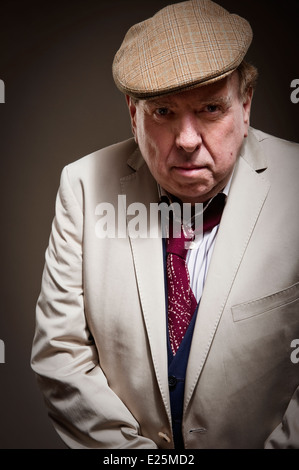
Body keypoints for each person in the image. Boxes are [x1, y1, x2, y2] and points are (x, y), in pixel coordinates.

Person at [31, 0, 299, 449]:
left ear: (246, 103)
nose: (188, 140)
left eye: (212, 108)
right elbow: (60, 356)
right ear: (132, 113)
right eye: (163, 112)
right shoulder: (82, 186)